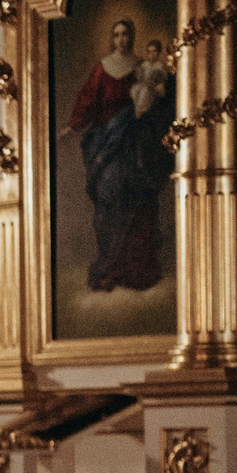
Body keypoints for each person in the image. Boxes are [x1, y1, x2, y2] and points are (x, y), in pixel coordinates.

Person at [68, 16, 174, 293]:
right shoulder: (102, 68)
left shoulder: (143, 67)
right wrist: (72, 125)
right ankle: (110, 265)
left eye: (126, 34)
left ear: (133, 36)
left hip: (136, 143)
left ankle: (137, 269)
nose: (121, 39)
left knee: (139, 201)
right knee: (107, 200)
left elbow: (157, 98)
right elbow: (88, 100)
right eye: (116, 34)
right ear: (112, 38)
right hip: (108, 143)